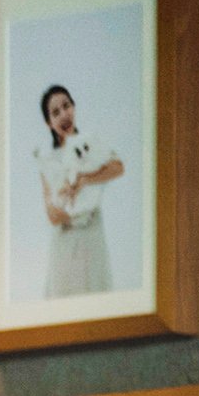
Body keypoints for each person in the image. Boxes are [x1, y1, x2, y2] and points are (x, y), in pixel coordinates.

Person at [35, 84, 124, 298]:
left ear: (74, 107)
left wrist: (84, 179)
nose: (64, 114)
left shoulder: (91, 142)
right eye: (55, 112)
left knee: (95, 295)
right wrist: (69, 213)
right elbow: (51, 213)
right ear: (49, 123)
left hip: (92, 231)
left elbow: (117, 167)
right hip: (65, 239)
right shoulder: (48, 161)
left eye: (66, 106)